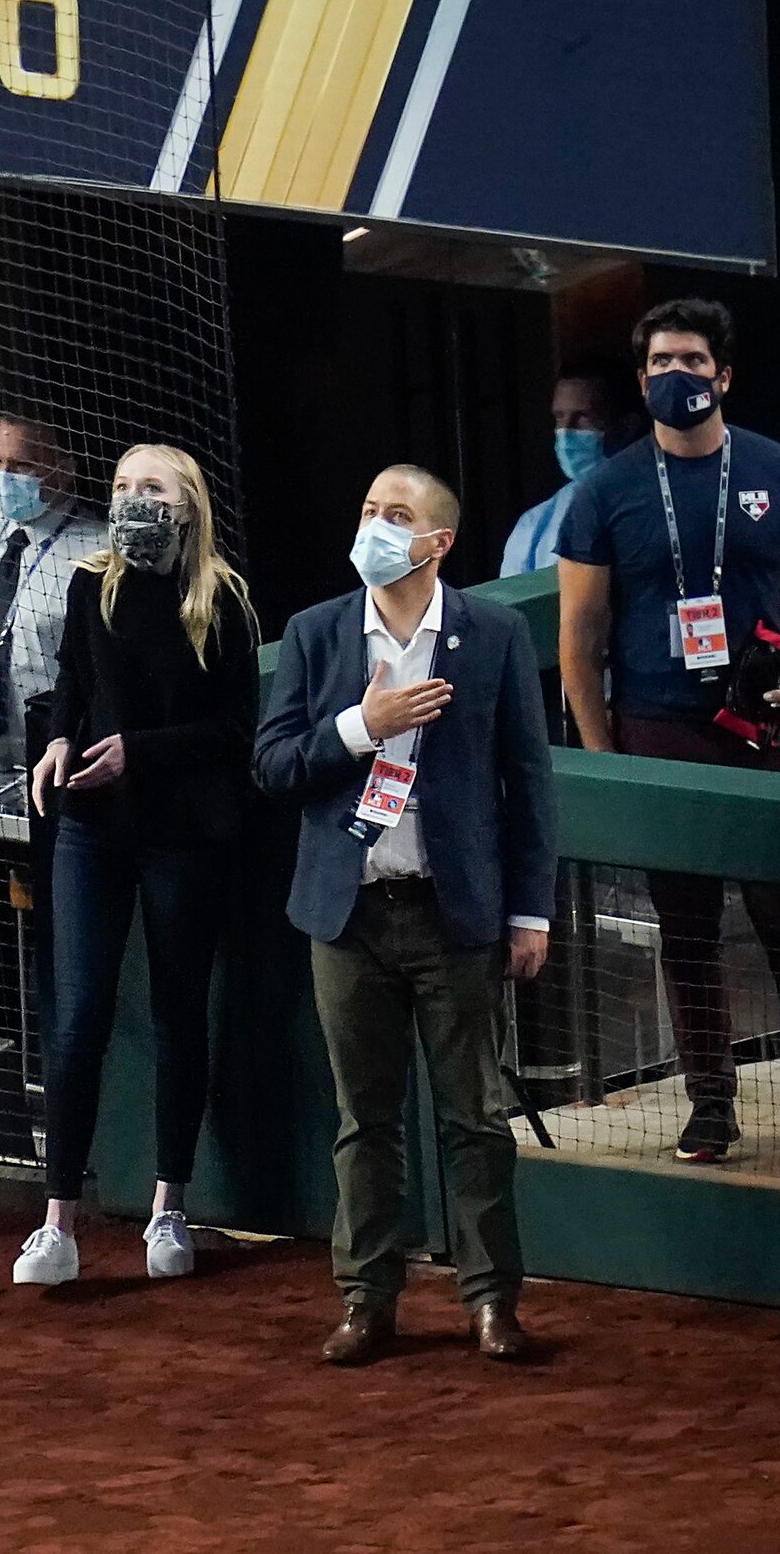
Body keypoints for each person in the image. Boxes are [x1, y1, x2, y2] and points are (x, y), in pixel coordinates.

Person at [257, 464, 554, 1365]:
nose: (376, 526)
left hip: (454, 911)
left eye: (397, 515)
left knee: (474, 1118)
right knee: (365, 1120)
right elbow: (272, 766)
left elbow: (528, 786)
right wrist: (361, 724)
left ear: (438, 543)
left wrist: (531, 913)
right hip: (347, 916)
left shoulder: (493, 634)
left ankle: (491, 1300)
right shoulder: (315, 633)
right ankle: (367, 1300)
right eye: (367, 510)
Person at [556, 297, 780, 1164]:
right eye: (661, 363)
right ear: (642, 380)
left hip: (764, 724)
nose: (678, 375)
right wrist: (605, 759)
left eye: (693, 360)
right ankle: (711, 1102)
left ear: (725, 375)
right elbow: (580, 635)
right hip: (658, 728)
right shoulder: (605, 490)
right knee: (687, 928)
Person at [12, 443, 258, 1288]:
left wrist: (138, 755)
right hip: (91, 826)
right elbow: (71, 686)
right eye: (120, 487)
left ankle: (168, 1209)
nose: (131, 500)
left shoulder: (222, 601)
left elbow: (233, 732)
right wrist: (56, 743)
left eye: (149, 487)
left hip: (185, 831)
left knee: (176, 1013)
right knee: (78, 1015)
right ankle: (57, 1225)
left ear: (186, 503)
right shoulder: (92, 582)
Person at [0, 412, 107, 785]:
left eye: (23, 465)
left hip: (61, 756)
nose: (4, 475)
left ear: (65, 470)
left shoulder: (101, 552)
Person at [500, 368, 617, 578]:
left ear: (627, 426)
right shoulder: (535, 525)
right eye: (559, 417)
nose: (566, 430)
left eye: (583, 417)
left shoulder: (657, 504)